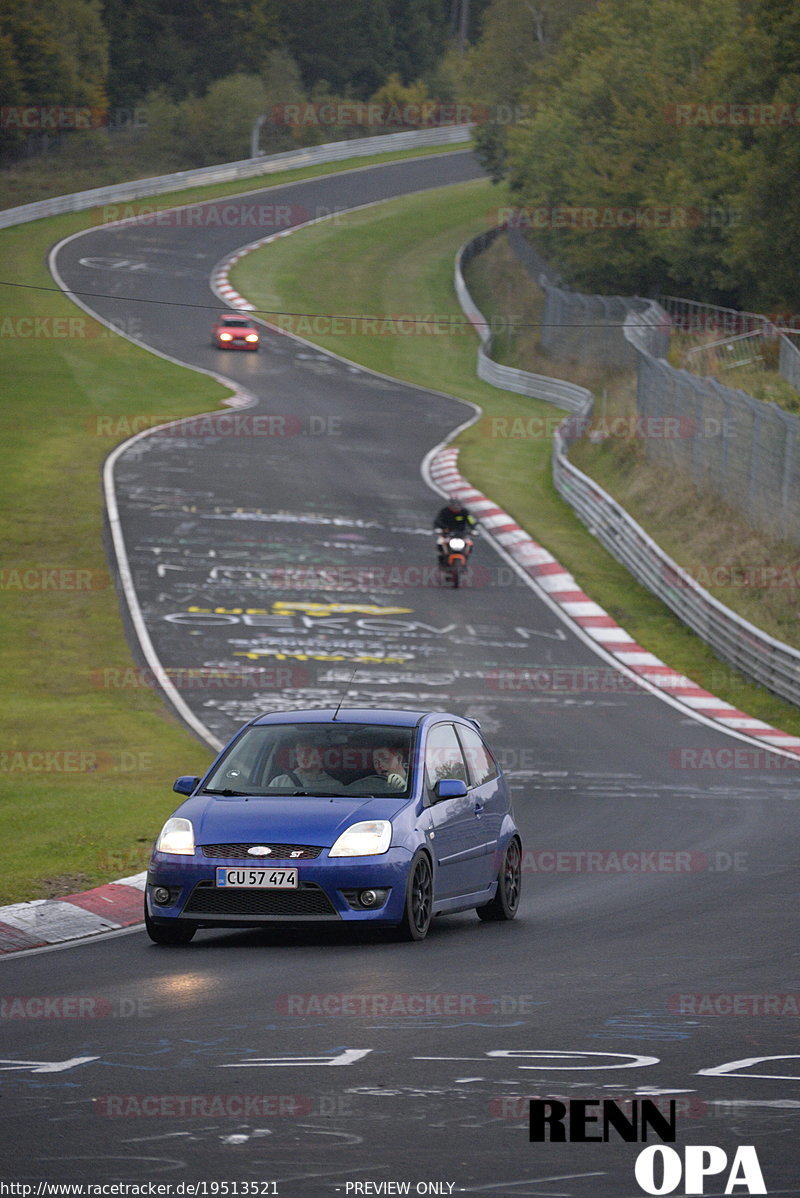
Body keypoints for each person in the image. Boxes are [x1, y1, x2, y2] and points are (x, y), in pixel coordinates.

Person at [270, 737, 340, 790]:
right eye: (299, 752)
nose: (303, 756)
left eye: (308, 752)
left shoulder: (335, 786)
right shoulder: (279, 782)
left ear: (320, 754)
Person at [434, 496, 476, 563]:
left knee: (469, 543)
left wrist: (473, 529)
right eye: (455, 504)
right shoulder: (444, 511)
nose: (457, 506)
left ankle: (466, 557)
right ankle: (442, 557)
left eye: (459, 504)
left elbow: (471, 521)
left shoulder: (465, 512)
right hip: (447, 533)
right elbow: (438, 521)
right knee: (440, 542)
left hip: (461, 533)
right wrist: (440, 528)